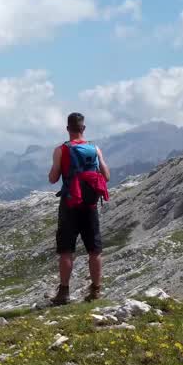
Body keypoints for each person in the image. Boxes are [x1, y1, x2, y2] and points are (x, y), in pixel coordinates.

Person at [47, 112, 111, 305]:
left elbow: (52, 178)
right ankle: (96, 290)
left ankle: (64, 292)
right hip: (90, 203)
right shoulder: (94, 148)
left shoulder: (61, 150)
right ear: (83, 128)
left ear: (68, 129)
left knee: (66, 249)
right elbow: (106, 176)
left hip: (70, 203)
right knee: (94, 249)